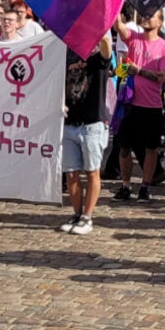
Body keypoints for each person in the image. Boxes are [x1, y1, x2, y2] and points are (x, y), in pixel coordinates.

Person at [112, 9, 165, 203]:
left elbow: (161, 77)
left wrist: (138, 71)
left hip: (152, 106)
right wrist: (114, 3)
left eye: (152, 15)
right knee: (123, 147)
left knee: (150, 148)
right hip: (130, 103)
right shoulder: (134, 38)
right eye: (145, 15)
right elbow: (118, 26)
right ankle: (125, 185)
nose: (147, 17)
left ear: (161, 21)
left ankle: (145, 186)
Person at [59, 35, 112, 234]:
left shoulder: (99, 59)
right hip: (70, 121)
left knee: (92, 171)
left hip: (92, 123)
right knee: (71, 172)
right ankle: (76, 213)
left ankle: (87, 217)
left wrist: (101, 31)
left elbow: (106, 47)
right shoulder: (67, 57)